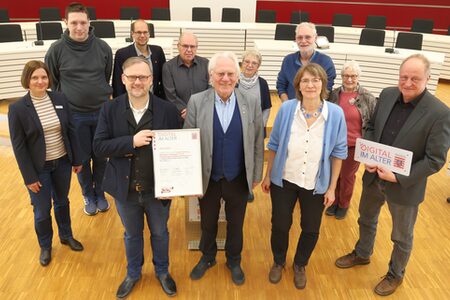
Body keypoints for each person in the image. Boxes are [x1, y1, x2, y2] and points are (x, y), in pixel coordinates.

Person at [335, 54, 450, 296]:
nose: (408, 83)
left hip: (404, 186)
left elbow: (435, 160)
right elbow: (371, 127)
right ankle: (363, 253)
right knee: (366, 219)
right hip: (374, 176)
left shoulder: (440, 113)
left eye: (415, 78)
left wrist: (398, 176)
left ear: (428, 79)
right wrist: (367, 154)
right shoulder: (386, 95)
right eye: (404, 77)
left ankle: (395, 273)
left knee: (401, 236)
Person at [93, 57, 180, 298]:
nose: (138, 82)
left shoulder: (168, 110)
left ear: (152, 80)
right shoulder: (109, 109)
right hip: (125, 190)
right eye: (132, 77)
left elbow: (180, 149)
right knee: (131, 234)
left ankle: (162, 271)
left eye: (143, 77)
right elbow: (99, 147)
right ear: (123, 79)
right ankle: (133, 273)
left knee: (160, 233)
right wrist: (131, 142)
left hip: (158, 189)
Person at [261, 63, 347, 289]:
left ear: (323, 84)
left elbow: (339, 154)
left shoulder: (335, 114)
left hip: (315, 184)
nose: (311, 85)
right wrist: (269, 175)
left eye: (315, 80)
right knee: (280, 224)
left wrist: (331, 188)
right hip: (284, 180)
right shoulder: (288, 108)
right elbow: (275, 145)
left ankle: (300, 264)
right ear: (298, 85)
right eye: (305, 81)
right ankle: (279, 261)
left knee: (311, 228)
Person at [184, 51, 264, 285]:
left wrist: (256, 174)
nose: (226, 78)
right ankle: (207, 257)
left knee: (236, 224)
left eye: (230, 74)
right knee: (207, 223)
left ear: (237, 77)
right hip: (207, 179)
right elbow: (187, 141)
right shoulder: (197, 101)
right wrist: (191, 180)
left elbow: (258, 140)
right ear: (211, 76)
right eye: (221, 73)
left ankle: (234, 260)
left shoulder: (251, 102)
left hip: (238, 178)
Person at [8, 60, 84, 267]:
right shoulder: (17, 109)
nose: (40, 81)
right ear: (27, 80)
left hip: (62, 162)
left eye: (43, 77)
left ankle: (66, 236)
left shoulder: (59, 98)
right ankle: (45, 246)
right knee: (41, 210)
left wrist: (77, 159)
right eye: (35, 78)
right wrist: (29, 177)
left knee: (62, 201)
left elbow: (70, 130)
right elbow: (19, 147)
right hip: (38, 169)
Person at [45, 2, 113, 216]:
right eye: (74, 22)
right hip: (74, 116)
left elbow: (106, 76)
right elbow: (53, 82)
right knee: (81, 159)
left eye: (83, 22)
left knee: (101, 156)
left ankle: (100, 192)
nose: (79, 27)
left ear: (89, 23)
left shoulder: (103, 48)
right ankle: (88, 194)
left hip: (102, 112)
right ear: (65, 23)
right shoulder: (56, 49)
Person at [326, 60, 377, 219]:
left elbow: (373, 122)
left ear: (358, 77)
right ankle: (333, 201)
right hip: (335, 144)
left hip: (355, 145)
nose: (349, 79)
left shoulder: (367, 97)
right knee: (334, 174)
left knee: (347, 176)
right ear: (341, 76)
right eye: (346, 76)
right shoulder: (334, 95)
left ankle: (343, 204)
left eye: (353, 76)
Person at [238, 49, 272, 202]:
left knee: (252, 160)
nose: (250, 65)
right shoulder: (233, 80)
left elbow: (266, 108)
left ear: (258, 66)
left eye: (254, 63)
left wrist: (259, 128)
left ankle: (248, 188)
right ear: (241, 63)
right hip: (236, 130)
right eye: (247, 62)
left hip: (255, 130)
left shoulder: (262, 84)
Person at [276, 22, 336, 102]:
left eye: (308, 37)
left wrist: (310, 108)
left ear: (315, 38)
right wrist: (288, 106)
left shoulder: (326, 62)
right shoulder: (288, 60)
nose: (303, 41)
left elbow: (326, 91)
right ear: (295, 39)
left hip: (316, 109)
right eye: (299, 37)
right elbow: (281, 86)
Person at [112, 19, 166, 99]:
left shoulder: (158, 52)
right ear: (132, 34)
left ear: (149, 34)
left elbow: (163, 81)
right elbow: (117, 85)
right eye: (139, 32)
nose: (142, 35)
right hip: (130, 102)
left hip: (154, 102)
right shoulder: (122, 54)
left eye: (145, 32)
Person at [162, 31, 209, 121]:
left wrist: (196, 110)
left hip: (202, 115)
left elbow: (210, 90)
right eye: (185, 46)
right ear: (178, 46)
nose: (189, 50)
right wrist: (184, 110)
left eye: (192, 46)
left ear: (197, 47)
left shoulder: (206, 64)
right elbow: (170, 95)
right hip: (179, 117)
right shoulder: (168, 67)